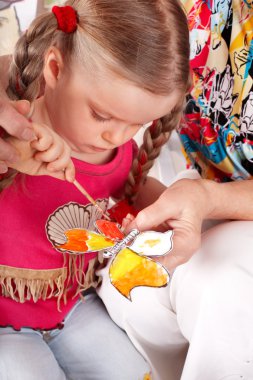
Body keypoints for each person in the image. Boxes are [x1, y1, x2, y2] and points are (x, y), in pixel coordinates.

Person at [0, 1, 190, 380]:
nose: (117, 136)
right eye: (102, 115)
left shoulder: (118, 152)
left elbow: (135, 191)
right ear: (55, 69)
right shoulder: (13, 134)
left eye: (136, 123)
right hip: (5, 325)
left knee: (133, 372)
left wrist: (168, 206)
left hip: (73, 307)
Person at [97, 1, 253, 379]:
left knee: (217, 285)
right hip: (202, 186)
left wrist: (207, 199)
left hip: (215, 197)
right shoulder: (193, 12)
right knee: (131, 281)